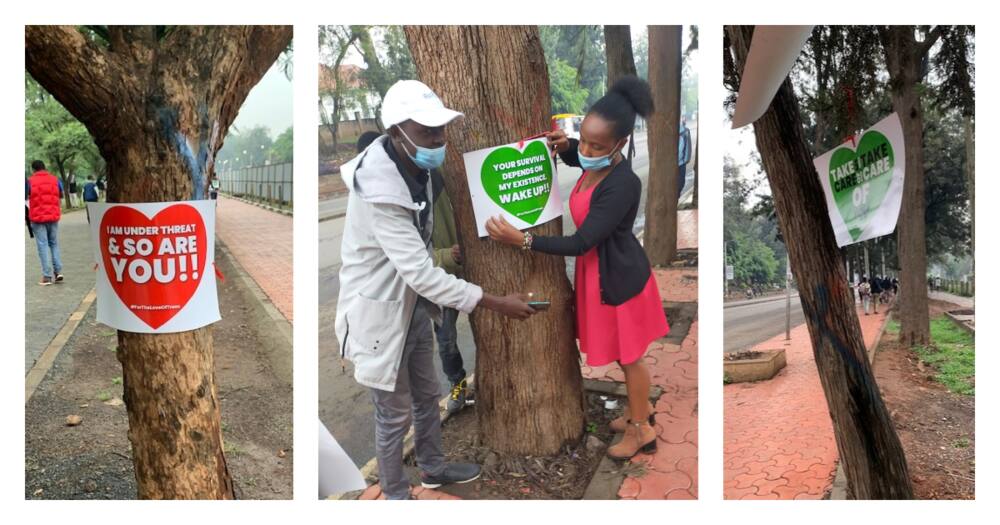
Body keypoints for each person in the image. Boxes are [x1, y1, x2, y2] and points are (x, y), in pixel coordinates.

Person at [336, 79, 537, 500]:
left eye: (441, 129)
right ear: (397, 133)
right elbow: (421, 273)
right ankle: (394, 495)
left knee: (428, 396)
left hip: (408, 311)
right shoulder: (380, 191)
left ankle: (432, 470)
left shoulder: (415, 167)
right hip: (378, 316)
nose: (439, 139)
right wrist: (495, 301)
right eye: (428, 132)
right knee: (393, 416)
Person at [486, 75, 669, 460]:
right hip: (599, 275)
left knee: (630, 357)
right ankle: (641, 410)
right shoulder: (595, 162)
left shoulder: (623, 184)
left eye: (595, 145)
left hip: (618, 280)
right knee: (625, 355)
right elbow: (583, 160)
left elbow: (582, 242)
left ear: (619, 145)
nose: (585, 149)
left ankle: (642, 429)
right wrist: (567, 147)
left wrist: (525, 241)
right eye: (582, 137)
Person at [356, 130, 472, 414]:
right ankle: (458, 386)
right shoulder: (388, 194)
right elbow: (408, 259)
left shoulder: (436, 172)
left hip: (474, 263)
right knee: (446, 343)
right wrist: (447, 256)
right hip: (440, 276)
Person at [27, 160, 64, 286]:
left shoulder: (29, 181)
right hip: (53, 217)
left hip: (37, 218)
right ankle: (58, 272)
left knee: (42, 245)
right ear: (45, 167)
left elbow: (25, 197)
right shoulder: (55, 179)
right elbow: (61, 195)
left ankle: (47, 277)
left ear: (33, 169)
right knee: (53, 243)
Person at [677, 117, 692, 201]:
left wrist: (686, 160)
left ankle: (675, 202)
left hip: (681, 164)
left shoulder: (685, 131)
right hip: (669, 165)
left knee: (680, 184)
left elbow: (688, 148)